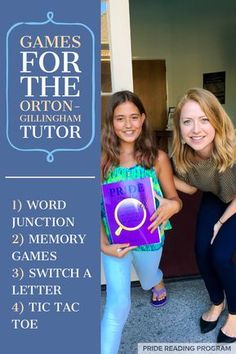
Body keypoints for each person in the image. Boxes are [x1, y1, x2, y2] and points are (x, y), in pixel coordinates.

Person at [101, 90, 182, 354]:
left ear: (143, 119)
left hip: (149, 239)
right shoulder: (100, 160)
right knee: (117, 305)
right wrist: (103, 246)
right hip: (115, 243)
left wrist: (172, 205)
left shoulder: (157, 159)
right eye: (120, 118)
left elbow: (174, 199)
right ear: (111, 122)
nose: (128, 125)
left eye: (134, 117)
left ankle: (156, 280)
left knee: (147, 279)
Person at [172, 87, 236, 343]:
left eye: (204, 119)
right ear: (180, 128)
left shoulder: (233, 147)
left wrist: (221, 223)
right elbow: (191, 187)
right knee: (201, 249)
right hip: (217, 195)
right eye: (187, 121)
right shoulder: (184, 156)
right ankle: (216, 301)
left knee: (221, 255)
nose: (195, 129)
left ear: (217, 120)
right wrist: (158, 174)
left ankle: (234, 313)